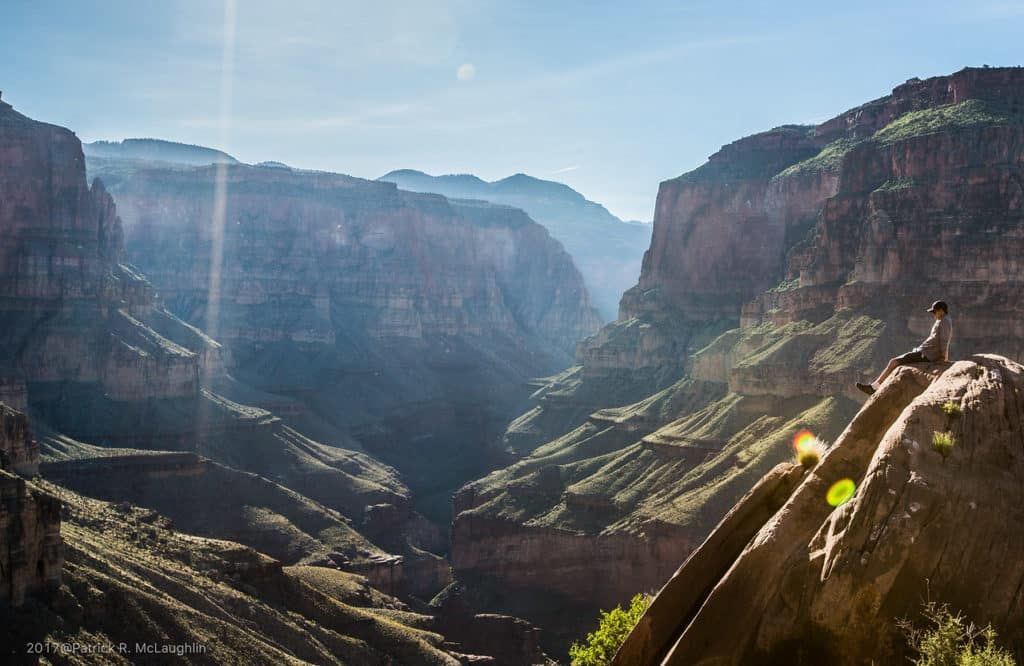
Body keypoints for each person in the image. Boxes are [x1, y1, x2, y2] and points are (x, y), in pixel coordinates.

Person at [856, 301, 952, 396]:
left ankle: (874, 388)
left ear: (941, 311)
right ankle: (875, 386)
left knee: (894, 362)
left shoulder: (944, 322)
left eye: (934, 312)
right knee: (894, 362)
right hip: (924, 352)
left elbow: (944, 340)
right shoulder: (943, 320)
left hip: (926, 354)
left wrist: (943, 358)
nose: (933, 314)